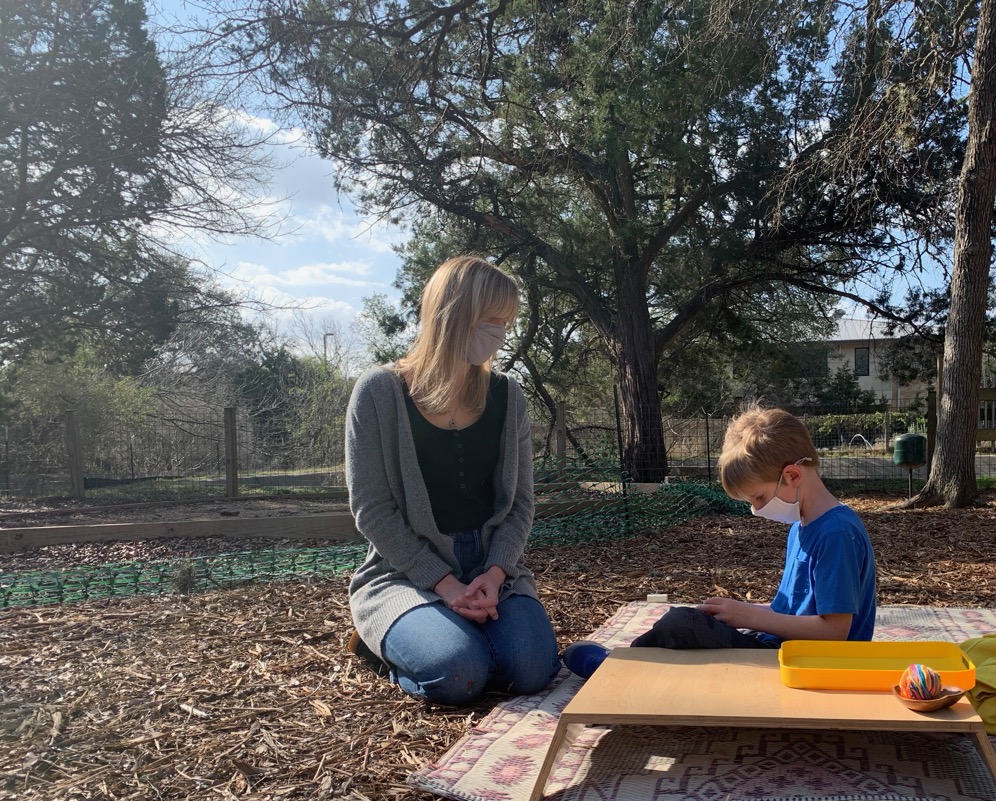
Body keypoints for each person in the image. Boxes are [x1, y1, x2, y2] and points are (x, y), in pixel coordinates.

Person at [345, 255, 560, 706]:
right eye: (491, 320)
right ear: (453, 315)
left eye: (506, 321)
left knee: (533, 670)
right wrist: (444, 583)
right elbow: (372, 511)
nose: (500, 333)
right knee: (460, 674)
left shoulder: (508, 394)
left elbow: (521, 503)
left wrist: (496, 571)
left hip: (493, 569)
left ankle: (450, 635)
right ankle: (386, 640)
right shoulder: (378, 392)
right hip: (404, 573)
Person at [562, 405, 876, 678]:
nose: (756, 509)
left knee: (682, 624)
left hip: (812, 666)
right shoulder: (802, 525)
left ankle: (620, 668)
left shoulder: (836, 533)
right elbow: (792, 612)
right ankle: (638, 665)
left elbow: (835, 632)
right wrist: (739, 613)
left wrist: (751, 616)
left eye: (759, 496)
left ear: (793, 476)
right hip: (783, 652)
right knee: (695, 624)